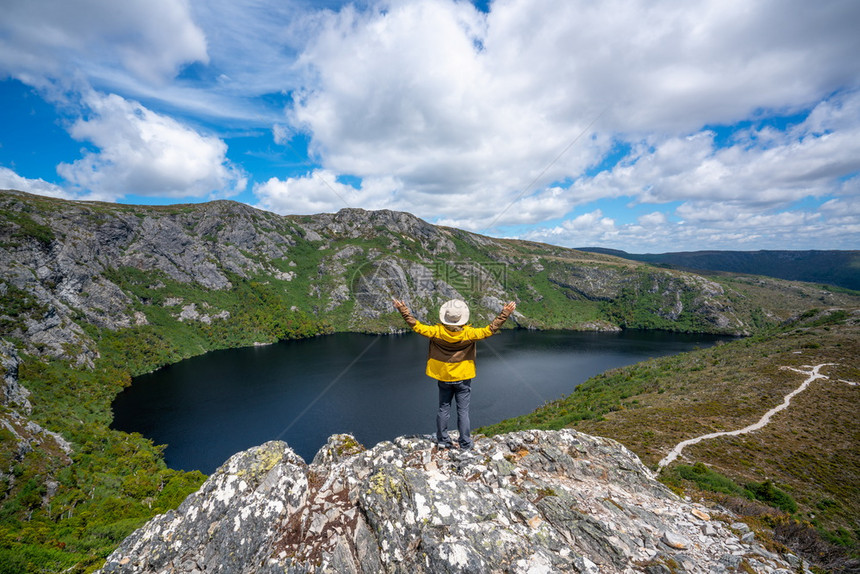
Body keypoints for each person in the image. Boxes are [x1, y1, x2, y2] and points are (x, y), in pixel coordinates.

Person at [393, 298, 516, 450]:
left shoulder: (436, 332)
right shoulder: (469, 334)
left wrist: (403, 309)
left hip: (444, 376)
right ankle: (465, 443)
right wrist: (505, 313)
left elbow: (415, 325)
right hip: (463, 378)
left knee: (443, 408)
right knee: (463, 411)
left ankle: (443, 440)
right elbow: (490, 329)